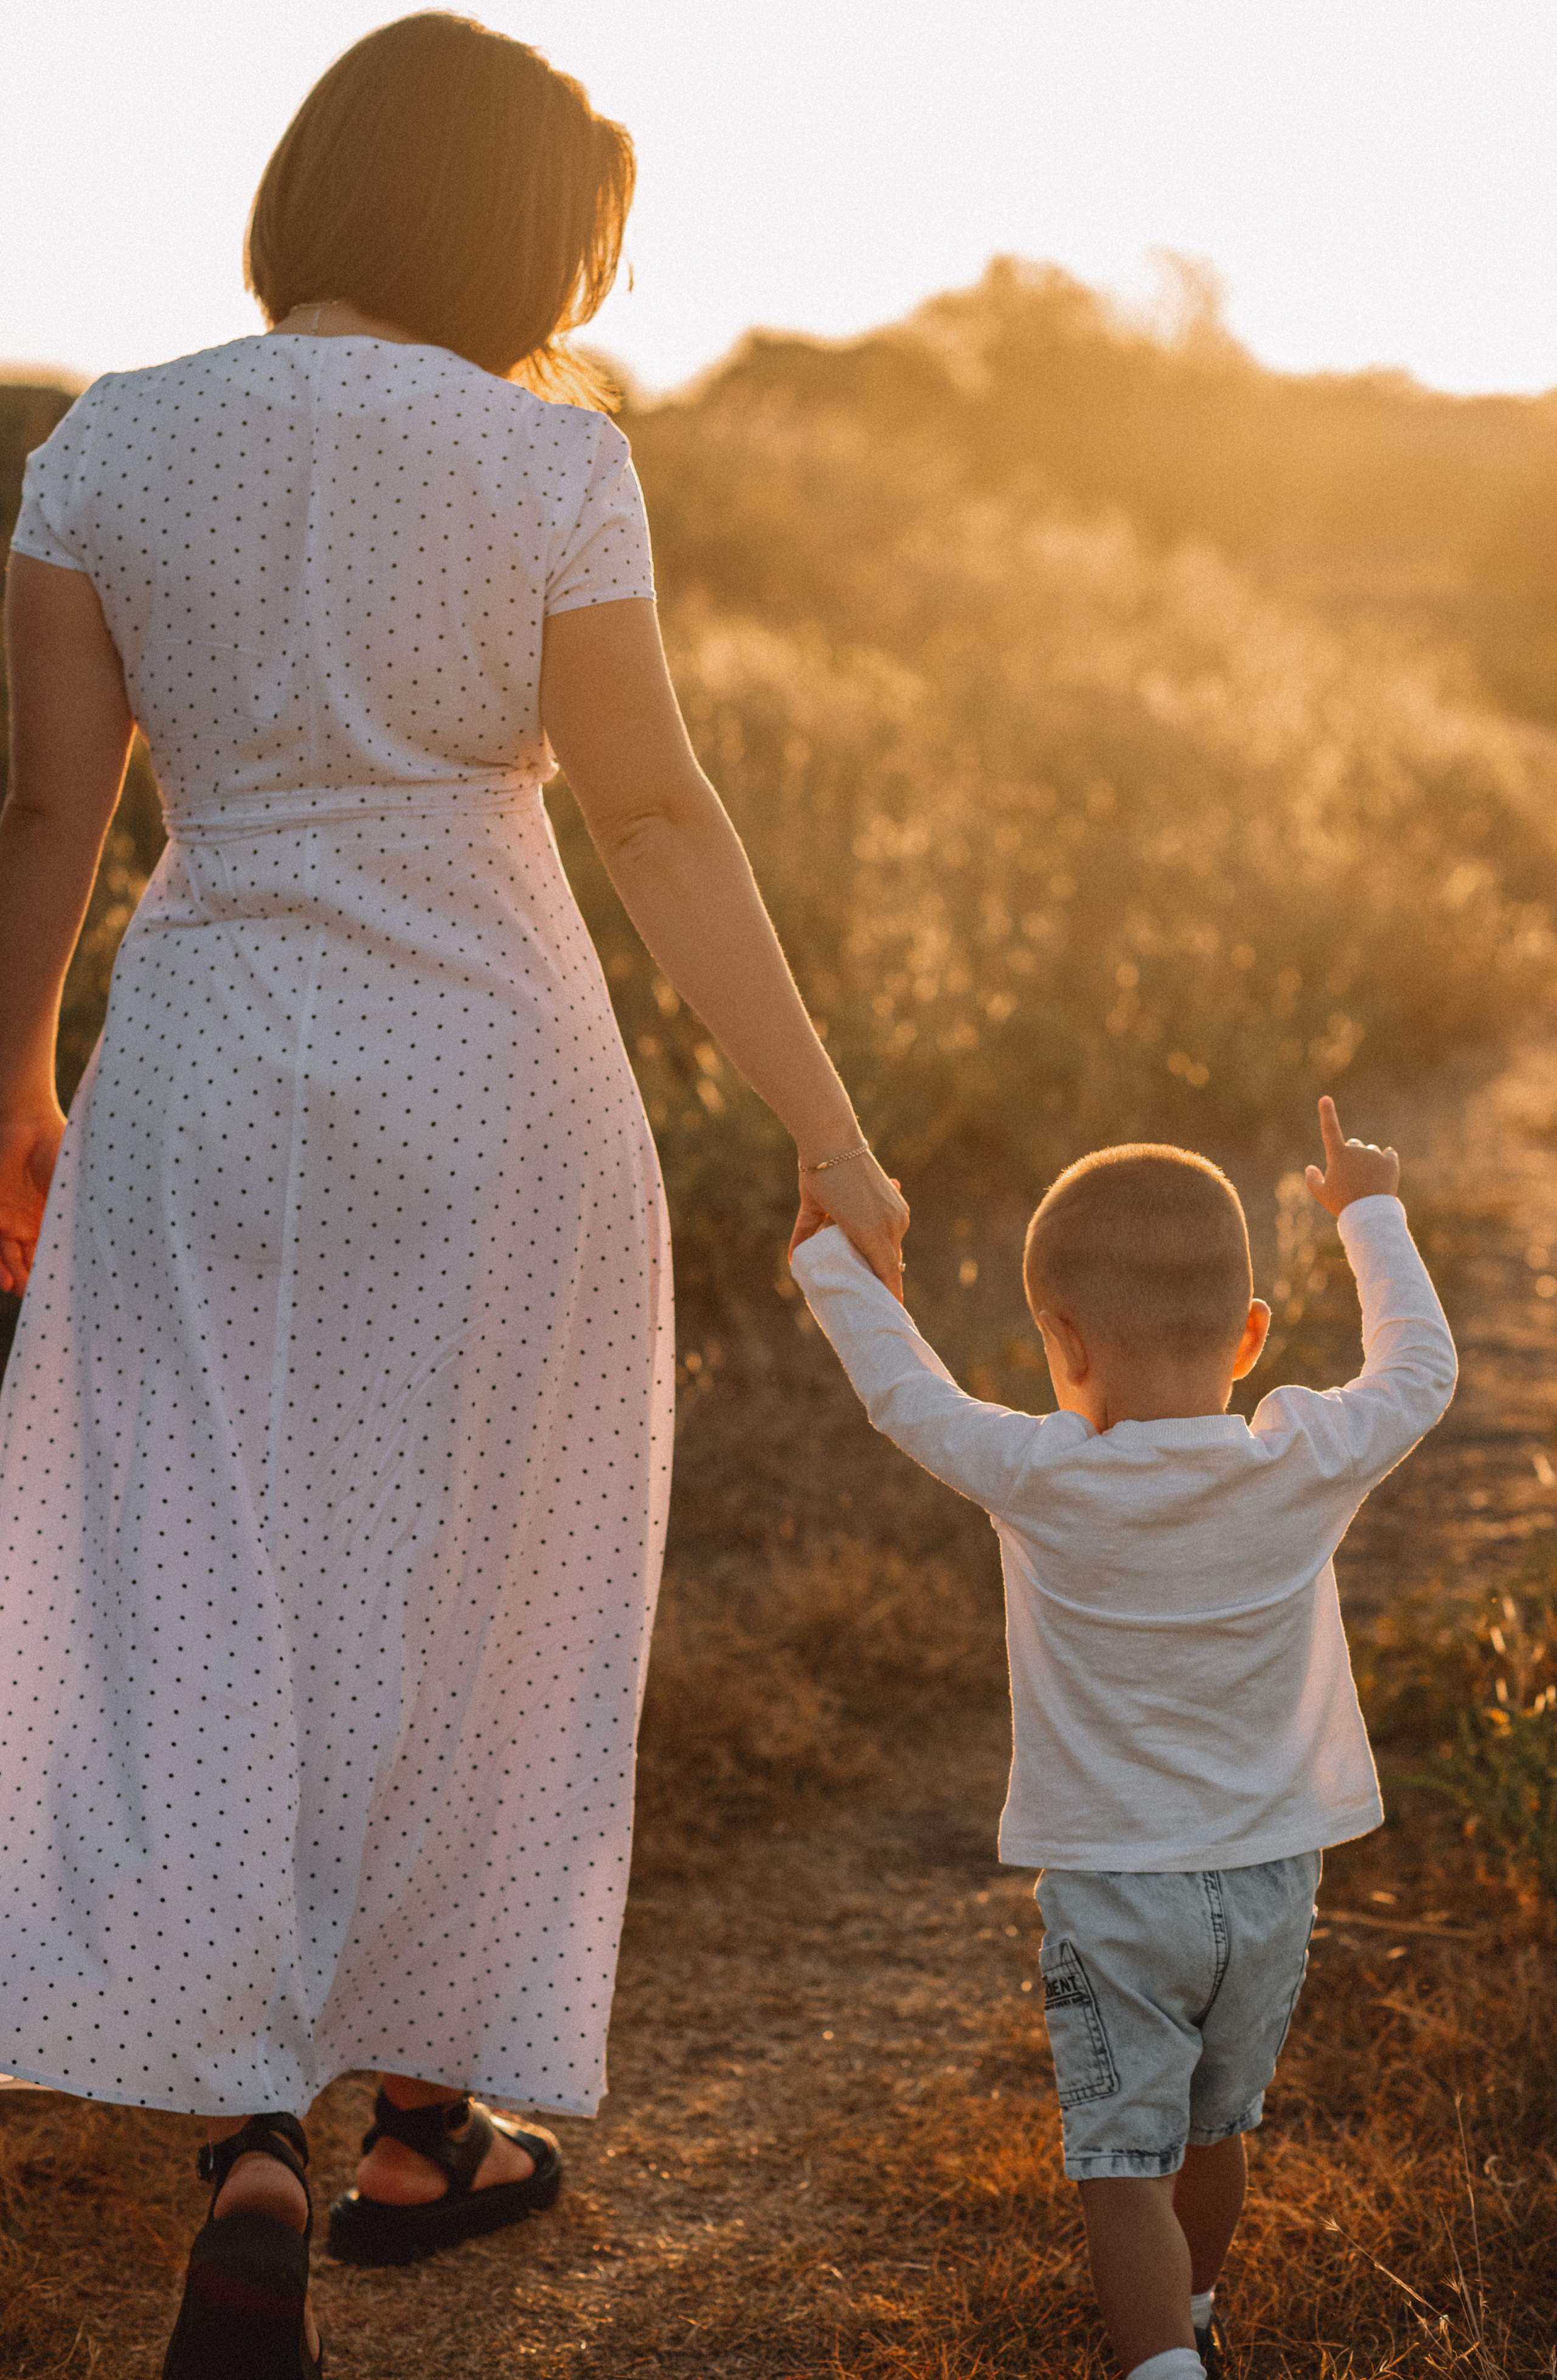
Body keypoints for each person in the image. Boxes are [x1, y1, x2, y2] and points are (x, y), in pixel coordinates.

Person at [0, 14, 907, 2376]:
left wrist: (10, 1070)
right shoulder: (550, 461)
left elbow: (49, 809)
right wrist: (829, 1126)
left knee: (205, 1573)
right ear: (514, 239)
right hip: (488, 1078)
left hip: (205, 1068)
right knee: (476, 1574)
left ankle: (255, 2148)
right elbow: (658, 818)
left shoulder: (107, 440)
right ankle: (424, 2117)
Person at [790, 1095, 1455, 2380]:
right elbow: (1418, 1372)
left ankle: (1162, 2363)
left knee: (1120, 2164)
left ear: (1060, 1338)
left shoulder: (1044, 1476)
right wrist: (1369, 1211)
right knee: (1213, 2128)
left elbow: (902, 1393)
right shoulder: (1300, 1459)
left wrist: (831, 1254)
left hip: (1114, 1891)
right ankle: (1191, 2313)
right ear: (1249, 1334)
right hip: (1270, 1879)